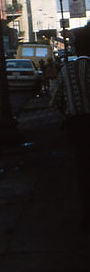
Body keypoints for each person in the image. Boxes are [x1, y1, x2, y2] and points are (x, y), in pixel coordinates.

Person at [51, 25, 90, 231]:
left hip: (77, 126)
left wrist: (69, 110)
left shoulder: (67, 70)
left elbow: (56, 100)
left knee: (83, 170)